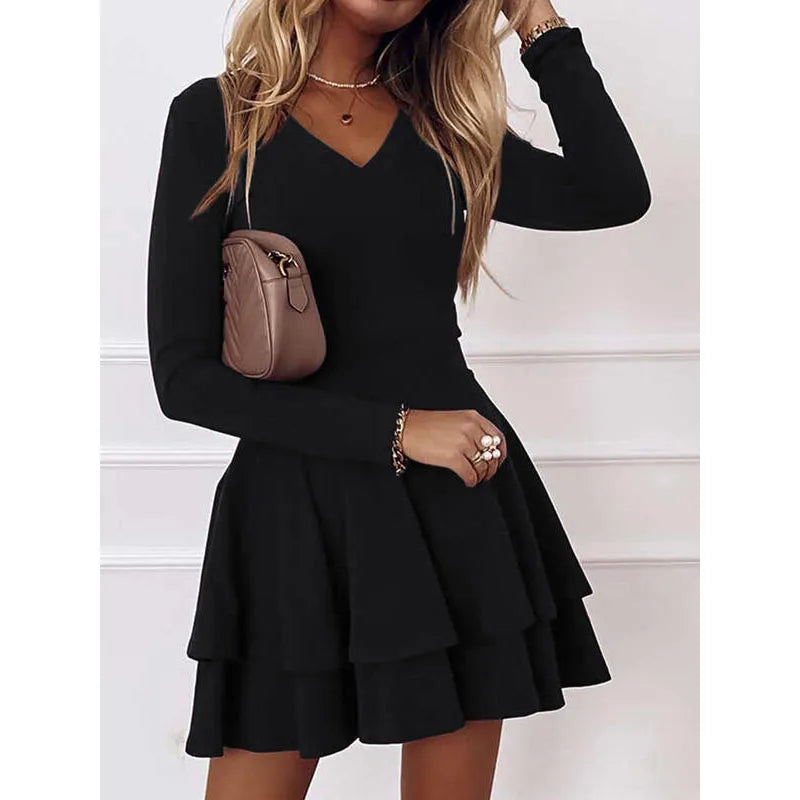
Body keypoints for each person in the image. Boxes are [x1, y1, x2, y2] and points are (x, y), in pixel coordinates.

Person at [146, 0, 650, 797]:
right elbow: (185, 379)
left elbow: (612, 192)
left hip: (454, 500)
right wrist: (398, 429)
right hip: (294, 511)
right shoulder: (219, 117)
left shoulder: (445, 125)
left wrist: (536, 21)